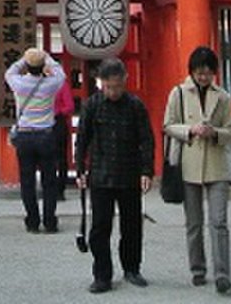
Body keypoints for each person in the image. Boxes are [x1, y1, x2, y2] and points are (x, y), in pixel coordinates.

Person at [75, 57, 155, 294]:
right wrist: (80, 170)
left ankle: (131, 268)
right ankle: (102, 275)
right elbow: (82, 140)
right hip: (100, 173)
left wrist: (146, 170)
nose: (113, 91)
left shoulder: (135, 105)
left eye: (117, 86)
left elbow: (146, 140)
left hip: (129, 172)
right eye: (109, 86)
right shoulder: (92, 105)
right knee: (100, 226)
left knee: (131, 225)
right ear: (101, 83)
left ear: (125, 81)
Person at [164, 45, 231, 295]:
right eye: (199, 72)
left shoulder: (223, 97)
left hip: (216, 164)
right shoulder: (178, 93)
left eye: (208, 72)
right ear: (192, 72)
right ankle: (197, 269)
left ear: (214, 72)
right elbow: (168, 125)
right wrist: (190, 130)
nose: (203, 77)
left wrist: (214, 132)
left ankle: (222, 274)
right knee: (194, 222)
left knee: (219, 222)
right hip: (188, 164)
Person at [4, 46, 66, 234]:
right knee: (49, 180)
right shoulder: (50, 84)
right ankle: (50, 220)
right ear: (42, 66)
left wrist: (25, 58)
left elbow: (10, 72)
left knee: (27, 180)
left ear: (27, 66)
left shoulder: (19, 84)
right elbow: (60, 73)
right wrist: (46, 57)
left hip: (24, 135)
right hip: (46, 134)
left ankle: (32, 220)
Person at [54, 74, 75, 201]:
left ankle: (56, 188)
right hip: (57, 121)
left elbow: (69, 106)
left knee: (56, 158)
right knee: (60, 158)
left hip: (52, 121)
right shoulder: (62, 84)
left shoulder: (59, 85)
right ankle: (59, 190)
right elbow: (69, 106)